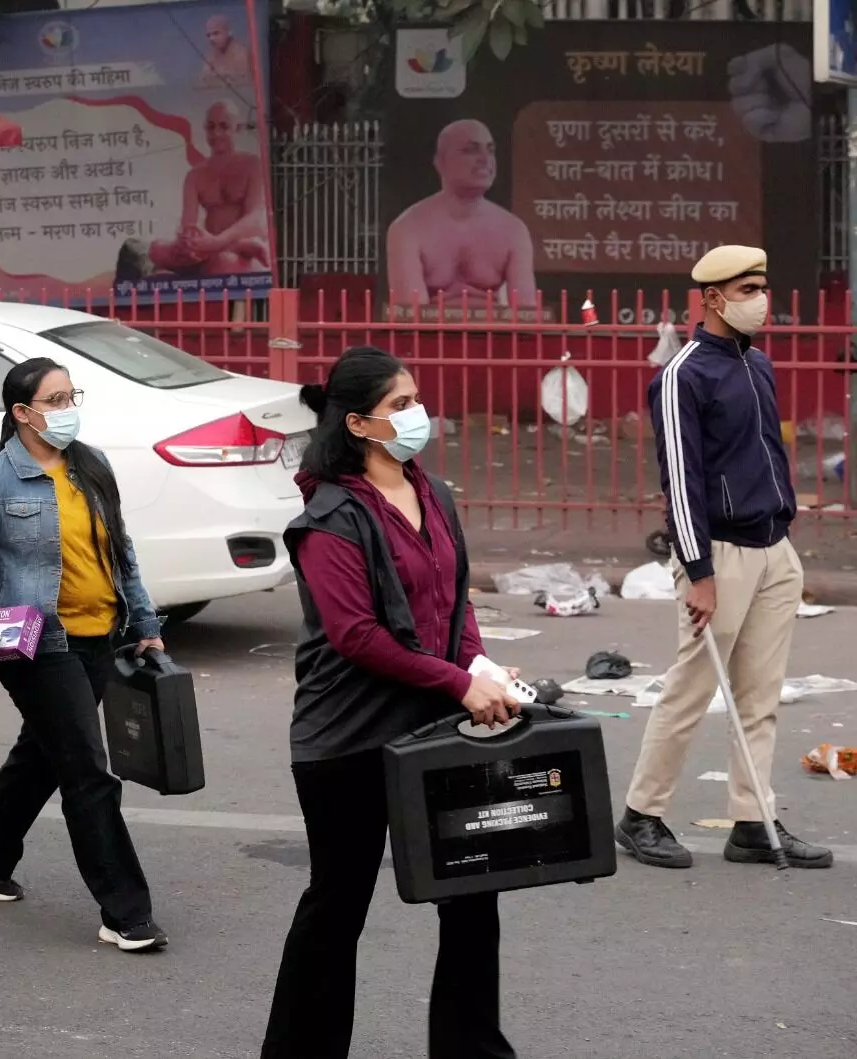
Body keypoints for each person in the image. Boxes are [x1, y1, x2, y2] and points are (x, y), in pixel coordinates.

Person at [262, 347, 519, 1059]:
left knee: (473, 896)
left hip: (434, 728)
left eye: (415, 398)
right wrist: (458, 681)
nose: (416, 415)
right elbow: (357, 635)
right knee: (337, 907)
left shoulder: (431, 490)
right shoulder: (329, 516)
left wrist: (479, 662)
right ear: (358, 423)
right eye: (399, 405)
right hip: (346, 739)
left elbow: (452, 595)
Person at [0, 357, 169, 954]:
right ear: (22, 413)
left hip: (103, 634)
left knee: (46, 749)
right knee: (87, 770)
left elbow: (122, 552)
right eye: (56, 401)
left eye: (71, 397)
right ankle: (125, 912)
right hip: (36, 642)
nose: (69, 410)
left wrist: (145, 622)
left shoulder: (91, 465)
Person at [617, 245, 832, 870]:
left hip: (772, 548)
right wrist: (699, 572)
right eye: (748, 288)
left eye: (763, 286)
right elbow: (679, 482)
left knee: (761, 696)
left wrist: (784, 536)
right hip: (719, 553)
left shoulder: (758, 363)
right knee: (691, 688)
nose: (761, 299)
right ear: (713, 297)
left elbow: (766, 454)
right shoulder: (682, 374)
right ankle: (641, 814)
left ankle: (753, 821)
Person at [385, 119, 536, 309]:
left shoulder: (514, 230)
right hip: (429, 338)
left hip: (495, 336)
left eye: (490, 150)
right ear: (441, 162)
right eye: (470, 150)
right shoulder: (407, 228)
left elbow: (526, 314)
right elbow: (409, 316)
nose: (485, 159)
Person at [145, 101, 270, 277]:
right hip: (206, 248)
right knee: (156, 249)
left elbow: (254, 218)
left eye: (224, 127)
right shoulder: (194, 176)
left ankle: (235, 247)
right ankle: (229, 248)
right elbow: (189, 223)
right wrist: (187, 241)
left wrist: (218, 241)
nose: (216, 133)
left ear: (238, 129)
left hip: (240, 245)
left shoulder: (252, 165)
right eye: (211, 127)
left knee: (223, 261)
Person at [198, 14, 251, 87]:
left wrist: (216, 79)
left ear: (229, 32)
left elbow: (245, 83)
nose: (211, 38)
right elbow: (201, 82)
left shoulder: (241, 54)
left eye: (216, 33)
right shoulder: (211, 56)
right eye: (209, 35)